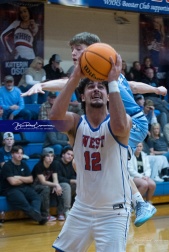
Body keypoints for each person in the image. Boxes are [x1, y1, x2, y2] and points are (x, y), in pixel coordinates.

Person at [20, 31, 167, 227]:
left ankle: (138, 203)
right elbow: (133, 86)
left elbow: (65, 83)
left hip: (132, 122)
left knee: (110, 162)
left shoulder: (97, 73)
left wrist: (43, 85)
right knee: (78, 163)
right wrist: (155, 89)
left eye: (78, 49)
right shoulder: (108, 73)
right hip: (129, 121)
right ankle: (120, 201)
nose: (73, 53)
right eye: (72, 50)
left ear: (93, 52)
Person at [51, 51, 132, 251]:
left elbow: (121, 127)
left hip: (114, 212)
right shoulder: (76, 123)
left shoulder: (119, 123)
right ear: (83, 96)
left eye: (101, 87)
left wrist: (113, 82)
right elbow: (54, 120)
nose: (96, 90)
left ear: (108, 95)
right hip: (82, 209)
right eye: (90, 86)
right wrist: (76, 77)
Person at [0, 145, 47, 225]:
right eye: (17, 153)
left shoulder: (23, 164)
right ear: (12, 154)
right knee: (24, 203)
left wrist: (19, 177)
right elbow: (12, 182)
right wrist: (24, 180)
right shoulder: (7, 166)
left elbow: (31, 179)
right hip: (11, 190)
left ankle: (36, 214)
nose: (20, 155)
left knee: (36, 197)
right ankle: (39, 218)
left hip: (24, 187)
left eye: (21, 153)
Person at [32, 147, 66, 222]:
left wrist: (56, 185)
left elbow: (55, 178)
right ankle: (46, 214)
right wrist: (54, 185)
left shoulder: (54, 164)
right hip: (35, 186)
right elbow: (43, 181)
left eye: (52, 156)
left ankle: (61, 213)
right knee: (46, 188)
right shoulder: (39, 166)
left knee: (60, 187)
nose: (50, 158)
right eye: (48, 156)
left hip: (46, 185)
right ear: (43, 157)